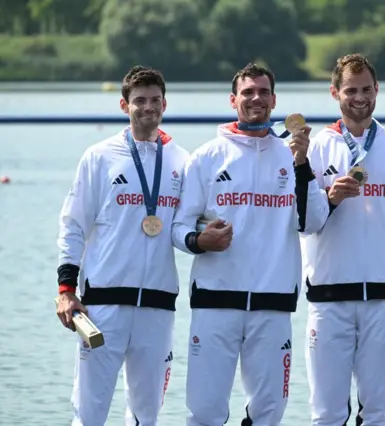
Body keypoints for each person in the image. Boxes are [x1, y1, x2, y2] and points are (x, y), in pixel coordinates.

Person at [171, 62, 330, 426]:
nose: (255, 98)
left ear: (274, 100)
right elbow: (177, 228)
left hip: (272, 307)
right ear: (233, 100)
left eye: (263, 92)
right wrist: (200, 240)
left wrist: (302, 164)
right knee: (205, 412)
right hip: (215, 302)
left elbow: (312, 223)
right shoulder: (207, 156)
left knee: (268, 413)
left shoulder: (296, 156)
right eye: (248, 92)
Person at [300, 53, 385, 426]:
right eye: (350, 90)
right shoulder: (314, 149)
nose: (359, 97)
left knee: (378, 412)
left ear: (377, 90)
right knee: (327, 413)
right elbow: (303, 224)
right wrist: (329, 199)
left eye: (366, 89)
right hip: (329, 301)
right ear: (334, 93)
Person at [55, 65, 190, 425]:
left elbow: (187, 227)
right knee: (89, 414)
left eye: (155, 100)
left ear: (165, 103)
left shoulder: (180, 160)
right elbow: (72, 225)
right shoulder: (99, 156)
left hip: (157, 310)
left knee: (147, 416)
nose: (148, 107)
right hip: (103, 308)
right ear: (123, 105)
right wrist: (66, 289)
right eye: (139, 100)